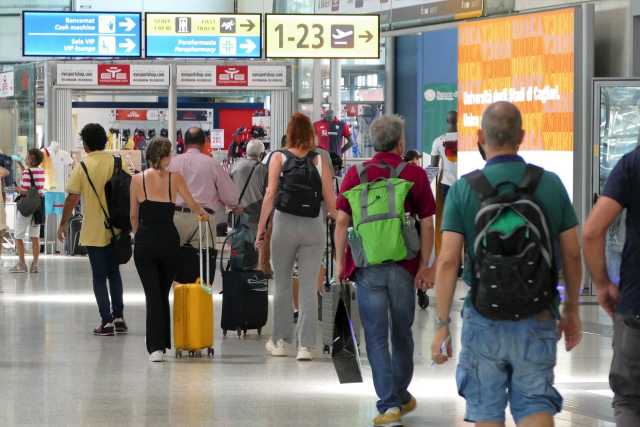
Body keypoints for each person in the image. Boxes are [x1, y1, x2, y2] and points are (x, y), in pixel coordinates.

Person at [431, 102, 583, 427]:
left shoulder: (463, 189)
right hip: (538, 314)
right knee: (535, 404)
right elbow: (571, 253)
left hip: (483, 316)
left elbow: (446, 262)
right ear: (522, 137)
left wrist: (442, 324)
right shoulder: (551, 184)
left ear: (479, 137)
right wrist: (572, 309)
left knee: (486, 410)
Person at [335, 115, 436, 427]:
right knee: (402, 332)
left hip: (367, 268)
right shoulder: (414, 174)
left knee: (376, 337)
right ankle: (402, 394)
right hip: (404, 267)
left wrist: (341, 262)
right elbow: (429, 222)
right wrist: (425, 265)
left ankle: (389, 405)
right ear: (400, 143)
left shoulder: (356, 173)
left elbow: (341, 222)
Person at [256, 113, 337, 361]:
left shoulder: (278, 156)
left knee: (281, 284)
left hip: (284, 225)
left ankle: (280, 342)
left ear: (289, 132)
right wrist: (337, 220)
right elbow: (329, 196)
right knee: (309, 286)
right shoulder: (321, 157)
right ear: (311, 133)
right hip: (314, 224)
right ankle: (306, 346)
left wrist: (261, 229)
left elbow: (270, 194)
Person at [130, 137, 206, 362]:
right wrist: (203, 215)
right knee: (162, 293)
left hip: (145, 240)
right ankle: (162, 343)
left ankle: (155, 347)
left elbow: (133, 215)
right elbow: (192, 204)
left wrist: (138, 234)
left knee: (152, 294)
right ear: (165, 156)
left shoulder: (137, 180)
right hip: (168, 241)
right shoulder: (176, 179)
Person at [583, 146, 640, 426]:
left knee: (630, 400)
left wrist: (603, 284)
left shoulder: (633, 163)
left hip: (636, 307)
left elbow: (592, 231)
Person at [59, 123, 128, 336]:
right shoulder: (118, 161)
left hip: (94, 230)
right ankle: (119, 318)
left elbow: (72, 197)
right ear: (105, 141)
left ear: (86, 144)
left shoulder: (83, 165)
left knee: (99, 277)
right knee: (114, 273)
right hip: (117, 228)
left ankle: (106, 321)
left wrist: (63, 224)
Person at [169, 127, 240, 251]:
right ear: (204, 143)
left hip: (175, 218)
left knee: (175, 261)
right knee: (204, 261)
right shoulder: (212, 164)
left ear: (185, 143)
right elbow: (229, 196)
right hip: (203, 219)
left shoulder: (172, 163)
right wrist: (235, 205)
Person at [12, 149, 45, 274]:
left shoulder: (26, 172)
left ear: (31, 158)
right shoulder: (41, 171)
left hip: (26, 207)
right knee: (35, 236)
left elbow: (25, 191)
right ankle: (35, 265)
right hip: (37, 207)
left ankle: (22, 264)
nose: (25, 158)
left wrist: (18, 189)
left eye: (27, 157)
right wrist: (22, 167)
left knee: (18, 236)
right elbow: (35, 187)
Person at [230, 139, 267, 225]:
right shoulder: (263, 170)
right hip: (255, 216)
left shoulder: (235, 166)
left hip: (236, 214)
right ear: (261, 154)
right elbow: (268, 194)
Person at [430, 110, 458, 200]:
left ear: (446, 121)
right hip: (465, 184)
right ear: (459, 120)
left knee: (449, 213)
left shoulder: (438, 141)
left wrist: (423, 185)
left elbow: (433, 167)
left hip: (447, 185)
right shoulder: (467, 139)